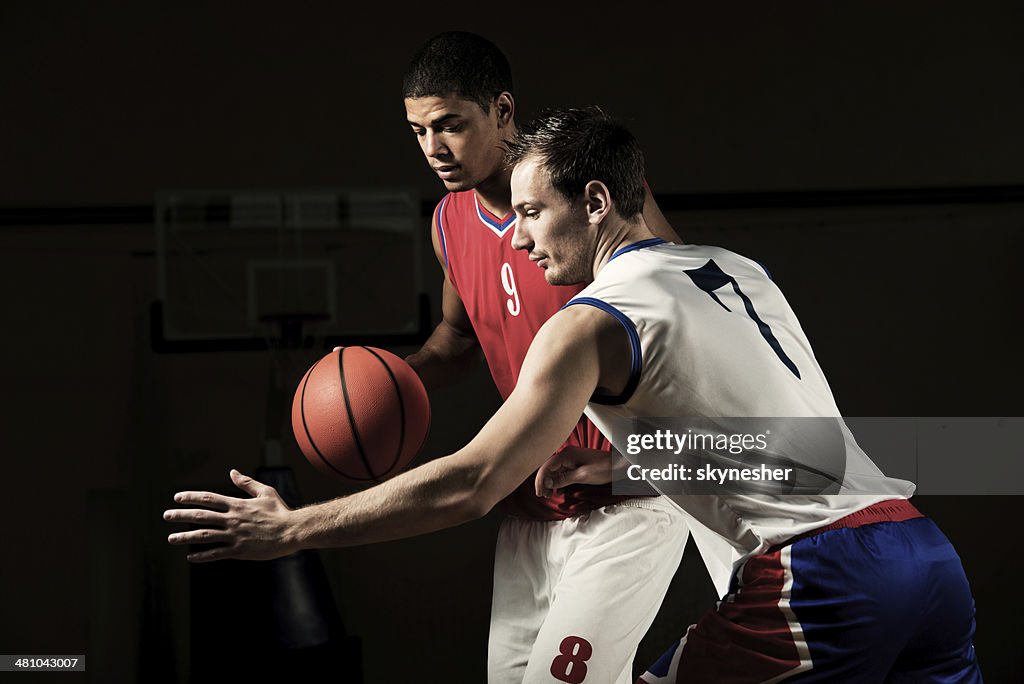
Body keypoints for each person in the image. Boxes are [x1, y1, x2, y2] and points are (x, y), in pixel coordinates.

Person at [166, 106, 981, 682]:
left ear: (594, 204)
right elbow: (800, 445)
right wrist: (628, 469)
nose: (517, 238)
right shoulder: (738, 270)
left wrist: (295, 527)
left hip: (821, 579)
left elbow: (472, 483)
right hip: (926, 560)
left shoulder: (591, 322)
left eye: (531, 212)